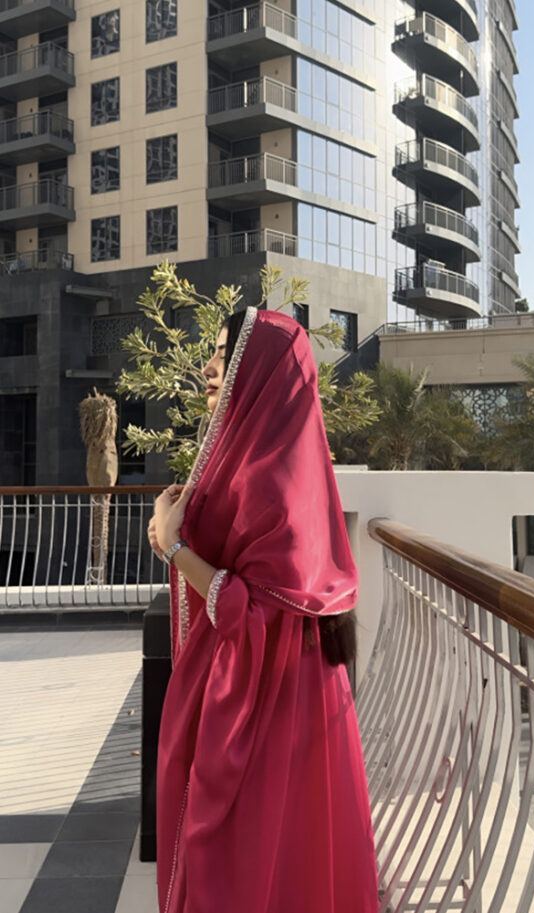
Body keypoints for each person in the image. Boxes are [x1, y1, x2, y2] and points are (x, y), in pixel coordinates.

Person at [148, 307, 378, 913]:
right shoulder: (263, 458)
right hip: (279, 688)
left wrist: (173, 546)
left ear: (262, 372)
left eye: (224, 355)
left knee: (243, 860)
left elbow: (254, 613)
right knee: (276, 858)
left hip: (271, 700)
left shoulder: (272, 478)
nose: (209, 368)